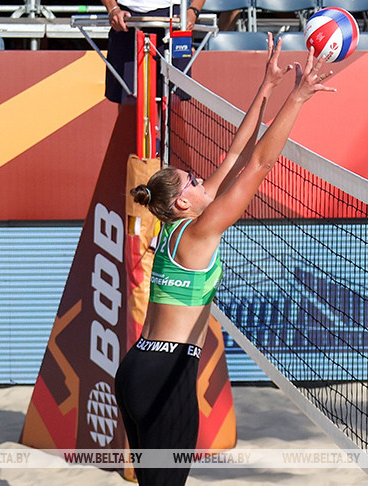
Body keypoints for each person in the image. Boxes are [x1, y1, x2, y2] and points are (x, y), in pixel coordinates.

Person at [114, 37, 335, 485]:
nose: (203, 181)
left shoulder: (176, 227)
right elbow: (259, 165)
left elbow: (235, 155)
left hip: (139, 368)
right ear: (181, 203)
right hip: (168, 374)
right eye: (194, 181)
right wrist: (297, 98)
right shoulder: (200, 231)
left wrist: (267, 86)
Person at [100, 0, 206, 103]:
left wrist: (193, 11)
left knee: (175, 102)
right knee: (128, 103)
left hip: (174, 17)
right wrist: (112, 8)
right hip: (126, 17)